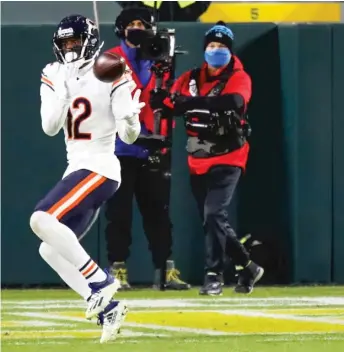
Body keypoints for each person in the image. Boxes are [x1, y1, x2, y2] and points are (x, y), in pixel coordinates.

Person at [31, 14, 144, 343]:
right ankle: (107, 309)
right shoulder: (53, 73)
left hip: (101, 167)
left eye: (75, 41)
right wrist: (64, 93)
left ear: (90, 40)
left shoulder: (111, 67)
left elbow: (130, 134)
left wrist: (132, 121)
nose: (70, 48)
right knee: (49, 250)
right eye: (65, 43)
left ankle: (101, 280)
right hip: (76, 169)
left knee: (40, 218)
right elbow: (50, 127)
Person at [150, 21, 264, 296]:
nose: (216, 50)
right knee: (212, 219)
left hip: (230, 154)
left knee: (214, 213)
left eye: (222, 46)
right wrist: (160, 98)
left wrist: (190, 103)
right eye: (212, 45)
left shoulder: (239, 76)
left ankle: (213, 274)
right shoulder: (189, 77)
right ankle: (247, 266)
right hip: (198, 155)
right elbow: (170, 104)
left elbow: (234, 101)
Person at [104, 7, 190, 291]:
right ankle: (118, 268)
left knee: (159, 213)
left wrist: (167, 95)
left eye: (143, 24)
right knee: (119, 214)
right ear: (122, 29)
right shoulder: (111, 59)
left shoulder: (160, 57)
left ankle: (166, 269)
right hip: (120, 148)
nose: (138, 29)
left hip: (153, 146)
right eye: (133, 24)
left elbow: (172, 103)